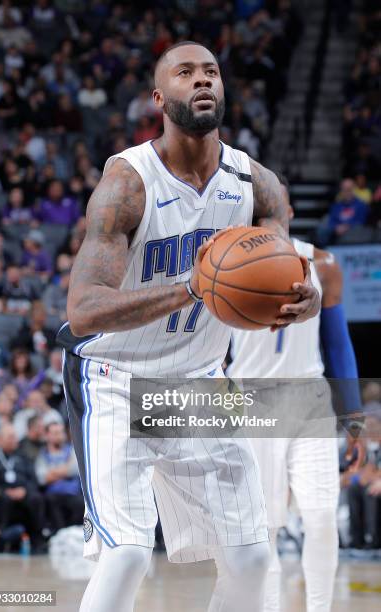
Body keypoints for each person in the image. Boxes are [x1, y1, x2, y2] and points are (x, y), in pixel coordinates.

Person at [57, 41, 320, 612]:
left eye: (211, 72)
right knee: (126, 555)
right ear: (158, 97)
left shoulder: (258, 184)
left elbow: (284, 274)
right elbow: (83, 311)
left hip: (197, 380)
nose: (201, 81)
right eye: (184, 73)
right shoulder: (128, 183)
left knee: (252, 558)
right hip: (112, 376)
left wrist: (306, 298)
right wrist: (192, 288)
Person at [227, 176, 365, 612]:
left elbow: (339, 344)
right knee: (263, 524)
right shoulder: (223, 265)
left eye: (276, 206)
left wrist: (354, 416)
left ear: (288, 212)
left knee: (322, 516)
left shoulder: (321, 263)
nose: (270, 216)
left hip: (310, 398)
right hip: (251, 400)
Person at [0, 423, 46, 553]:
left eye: (15, 437)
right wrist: (4, 491)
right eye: (10, 437)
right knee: (1, 499)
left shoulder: (23, 455)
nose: (14, 440)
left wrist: (25, 490)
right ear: (0, 439)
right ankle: (1, 540)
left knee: (36, 499)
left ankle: (38, 540)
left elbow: (33, 479)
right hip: (1, 493)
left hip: (24, 492)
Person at [35, 422, 83, 534]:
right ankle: (59, 536)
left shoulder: (72, 450)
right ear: (47, 435)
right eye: (55, 433)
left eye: (61, 433)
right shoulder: (42, 454)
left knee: (81, 504)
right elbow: (42, 478)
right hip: (53, 495)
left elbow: (75, 469)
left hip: (73, 494)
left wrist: (53, 472)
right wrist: (65, 469)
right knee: (50, 502)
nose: (60, 436)